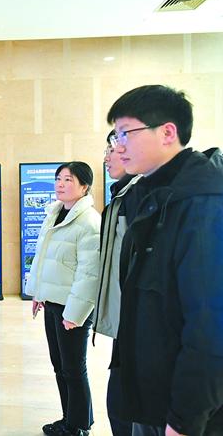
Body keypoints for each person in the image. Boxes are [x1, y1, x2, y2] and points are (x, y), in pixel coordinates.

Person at [107, 84, 223, 436]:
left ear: (168, 132)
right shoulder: (148, 196)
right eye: (115, 135)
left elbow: (210, 325)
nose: (118, 146)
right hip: (149, 394)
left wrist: (186, 417)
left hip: (183, 410)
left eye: (126, 133)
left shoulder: (203, 204)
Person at [25, 161, 101, 436]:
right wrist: (38, 293)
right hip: (54, 302)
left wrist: (75, 313)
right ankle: (71, 418)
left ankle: (78, 426)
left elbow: (89, 274)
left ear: (84, 186)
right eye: (58, 178)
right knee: (60, 365)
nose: (60, 184)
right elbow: (43, 258)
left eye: (68, 179)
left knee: (73, 368)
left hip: (72, 306)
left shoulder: (89, 222)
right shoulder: (56, 214)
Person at [93, 130, 142, 436]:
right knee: (120, 404)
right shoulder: (122, 196)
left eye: (111, 149)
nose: (107, 157)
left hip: (141, 326)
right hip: (126, 322)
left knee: (127, 407)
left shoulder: (143, 197)